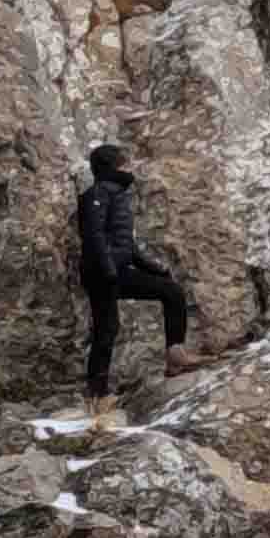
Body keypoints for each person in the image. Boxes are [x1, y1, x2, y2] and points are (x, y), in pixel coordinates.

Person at [71, 137, 191, 397]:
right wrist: (108, 270)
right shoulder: (97, 194)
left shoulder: (117, 196)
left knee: (171, 291)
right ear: (111, 167)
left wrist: (153, 268)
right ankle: (96, 395)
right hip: (101, 274)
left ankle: (176, 358)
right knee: (107, 329)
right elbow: (94, 236)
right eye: (124, 164)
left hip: (117, 271)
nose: (129, 168)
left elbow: (127, 244)